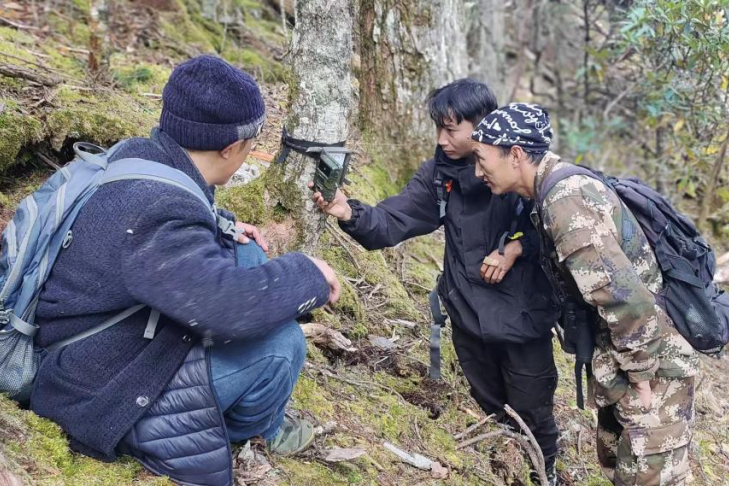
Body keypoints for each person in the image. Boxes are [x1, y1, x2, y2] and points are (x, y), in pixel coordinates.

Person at [30, 55, 341, 486]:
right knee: (282, 345)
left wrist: (222, 225)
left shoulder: (140, 157)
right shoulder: (161, 211)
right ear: (230, 148)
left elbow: (162, 235)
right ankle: (254, 430)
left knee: (248, 256)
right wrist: (307, 273)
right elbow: (227, 308)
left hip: (89, 341)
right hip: (97, 392)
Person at [311, 79, 561, 483]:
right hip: (468, 319)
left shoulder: (520, 166)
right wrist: (349, 212)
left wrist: (517, 246)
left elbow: (554, 226)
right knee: (492, 409)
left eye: (451, 129)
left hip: (524, 320)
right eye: (438, 128)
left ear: (483, 125)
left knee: (533, 416)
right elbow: (395, 219)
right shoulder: (440, 175)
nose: (442, 139)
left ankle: (543, 475)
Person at [470, 102, 698, 485]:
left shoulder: (565, 200)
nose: (478, 172)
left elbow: (623, 296)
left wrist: (642, 375)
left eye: (481, 159)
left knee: (652, 477)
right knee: (623, 470)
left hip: (653, 364)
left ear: (516, 154)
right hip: (629, 358)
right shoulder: (552, 192)